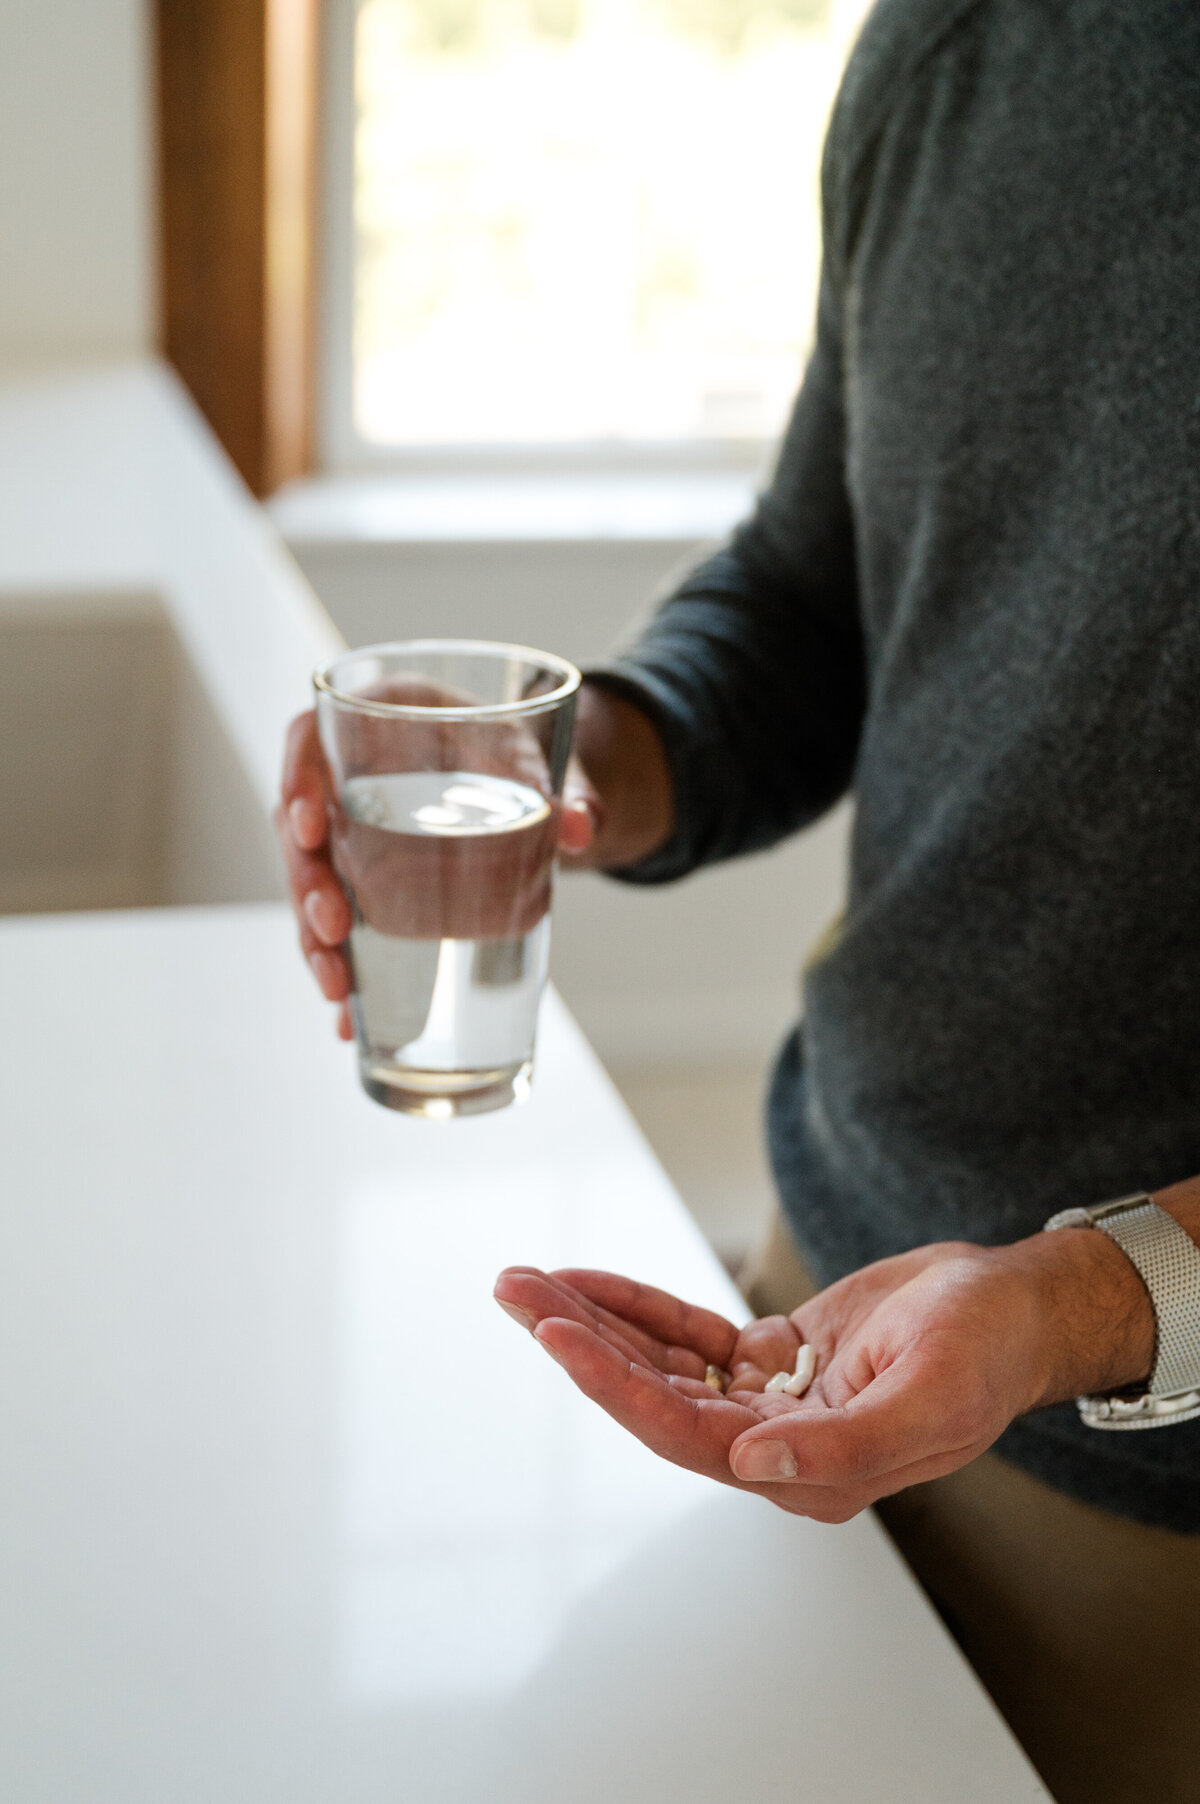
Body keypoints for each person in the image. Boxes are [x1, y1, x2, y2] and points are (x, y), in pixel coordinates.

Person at [277, 2, 1200, 1797]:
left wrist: (1077, 1302)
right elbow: (815, 583)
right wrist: (594, 753)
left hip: (1154, 1504)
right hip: (837, 1287)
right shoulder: (970, 45)